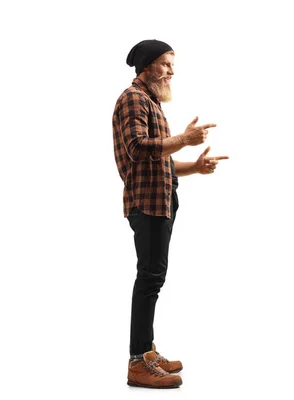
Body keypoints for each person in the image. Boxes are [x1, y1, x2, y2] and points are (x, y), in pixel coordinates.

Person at [112, 39, 228, 389]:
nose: (172, 71)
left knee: (154, 278)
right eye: (166, 64)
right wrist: (183, 138)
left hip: (160, 200)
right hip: (146, 203)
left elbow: (159, 160)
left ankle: (146, 352)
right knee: (149, 278)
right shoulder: (133, 98)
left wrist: (194, 165)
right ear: (147, 67)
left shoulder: (150, 101)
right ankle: (137, 362)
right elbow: (137, 148)